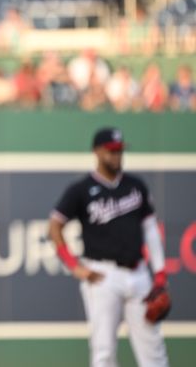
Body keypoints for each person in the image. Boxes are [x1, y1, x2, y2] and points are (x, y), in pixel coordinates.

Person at [48, 127, 170, 367]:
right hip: (103, 275)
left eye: (119, 151)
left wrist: (160, 272)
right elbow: (54, 227)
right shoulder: (81, 190)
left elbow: (150, 229)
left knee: (154, 350)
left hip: (138, 273)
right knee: (104, 351)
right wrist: (75, 266)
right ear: (97, 151)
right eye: (111, 151)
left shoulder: (136, 186)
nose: (116, 156)